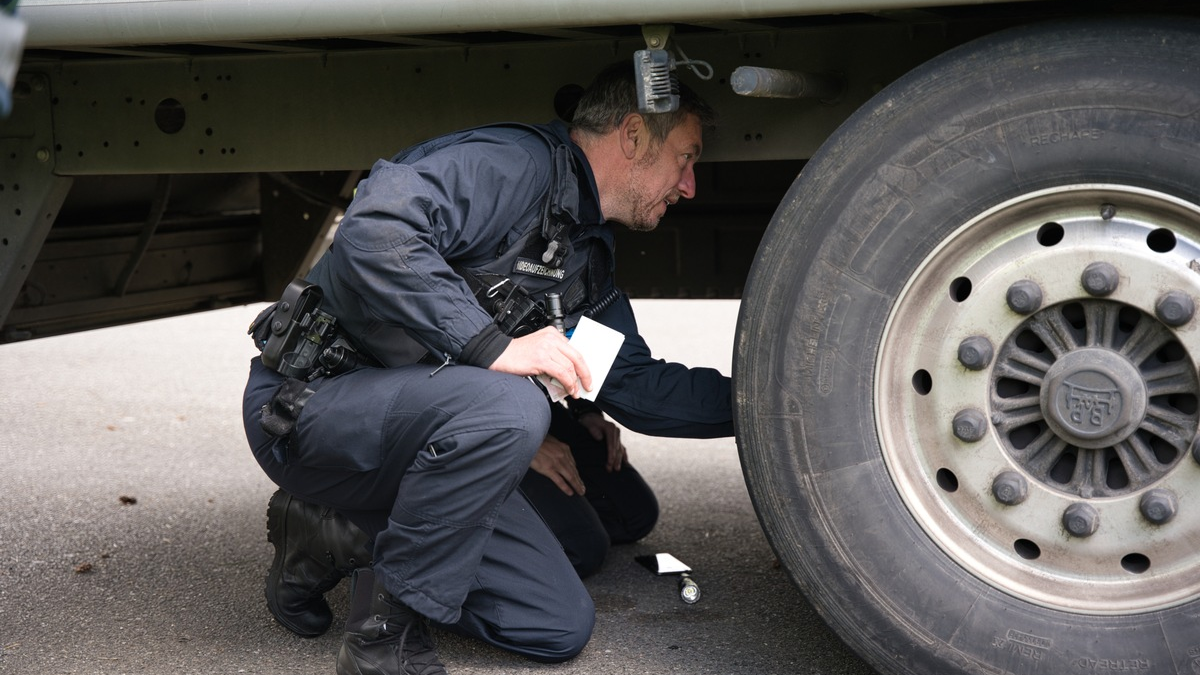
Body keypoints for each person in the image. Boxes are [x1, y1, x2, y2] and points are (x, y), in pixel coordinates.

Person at [241, 61, 731, 675]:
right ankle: (384, 640)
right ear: (633, 135)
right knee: (512, 408)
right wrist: (493, 348)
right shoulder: (513, 165)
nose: (689, 185)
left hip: (420, 430)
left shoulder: (586, 248)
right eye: (685, 158)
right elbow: (376, 228)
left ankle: (341, 532)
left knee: (560, 617)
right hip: (313, 411)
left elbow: (637, 387)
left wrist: (773, 407)